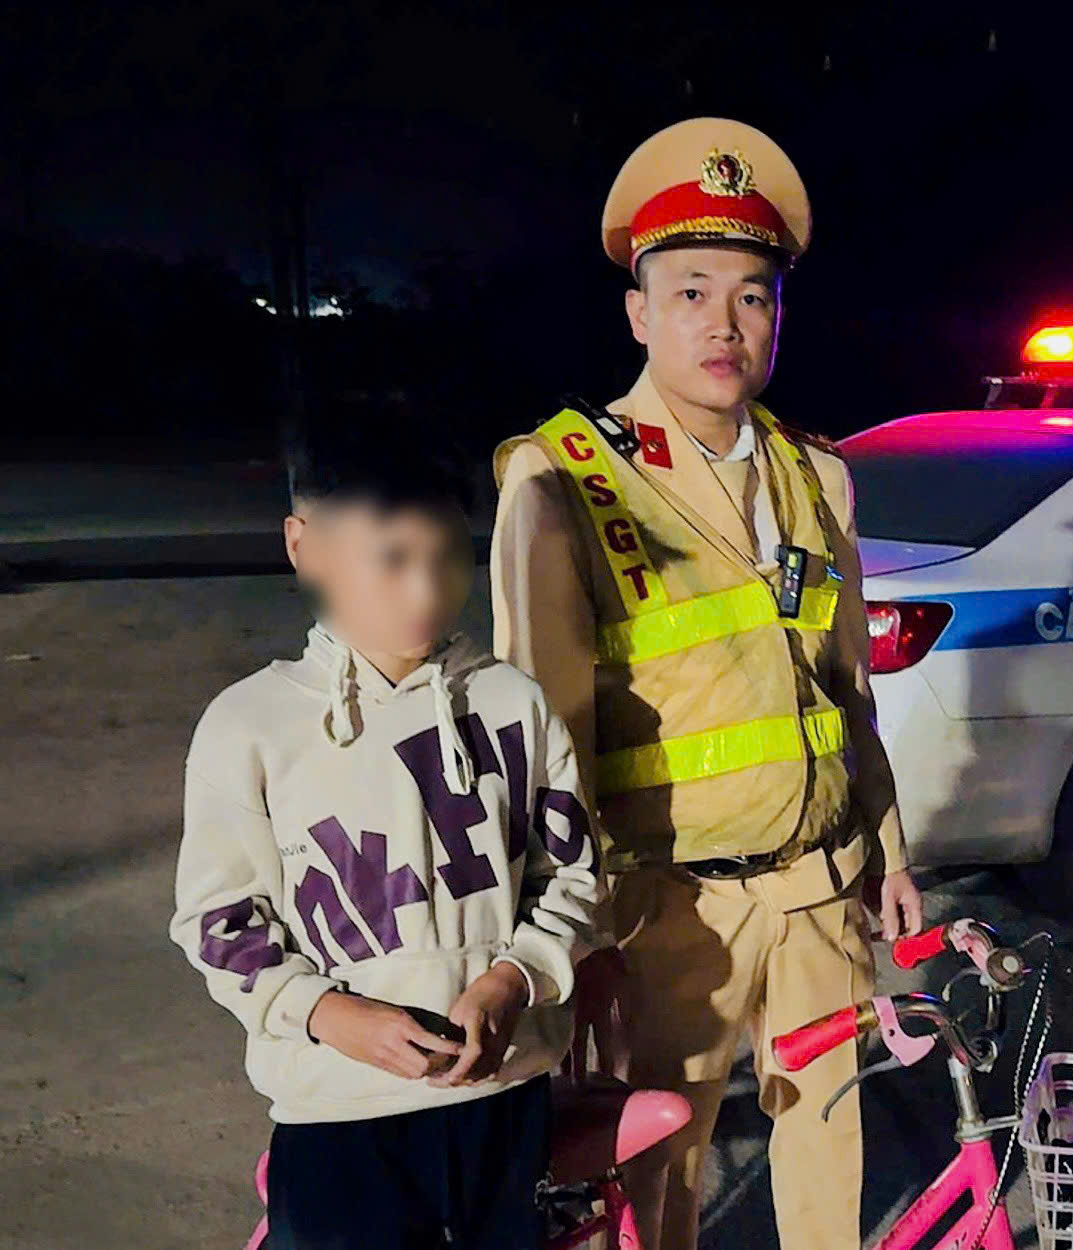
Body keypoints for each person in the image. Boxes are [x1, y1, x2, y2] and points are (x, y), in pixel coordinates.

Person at [490, 117, 923, 1250]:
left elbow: (845, 688)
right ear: (639, 312)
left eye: (751, 295)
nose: (725, 323)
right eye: (691, 292)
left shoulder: (815, 473)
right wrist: (568, 936)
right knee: (656, 1178)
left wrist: (887, 848)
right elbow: (544, 735)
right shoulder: (565, 476)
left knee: (830, 1149)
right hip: (666, 910)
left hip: (820, 890)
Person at [170, 400, 607, 1250]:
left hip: (501, 1104)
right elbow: (218, 922)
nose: (426, 592)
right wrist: (326, 1013)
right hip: (335, 1116)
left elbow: (573, 880)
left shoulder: (512, 702)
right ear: (305, 547)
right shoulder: (248, 725)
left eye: (447, 558)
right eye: (393, 559)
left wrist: (512, 981)